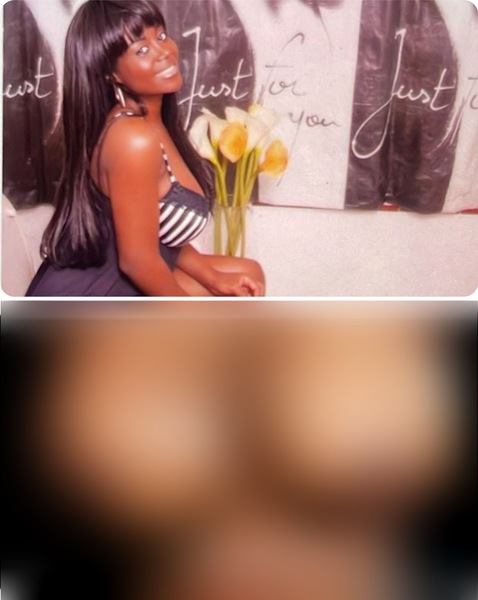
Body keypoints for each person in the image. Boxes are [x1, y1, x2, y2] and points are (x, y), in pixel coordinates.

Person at [26, 0, 265, 296]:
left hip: (126, 270)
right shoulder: (132, 138)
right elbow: (138, 262)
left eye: (161, 36)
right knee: (233, 303)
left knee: (248, 273)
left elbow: (159, 234)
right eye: (142, 49)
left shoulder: (153, 122)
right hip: (97, 290)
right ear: (111, 73)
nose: (164, 51)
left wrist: (215, 279)